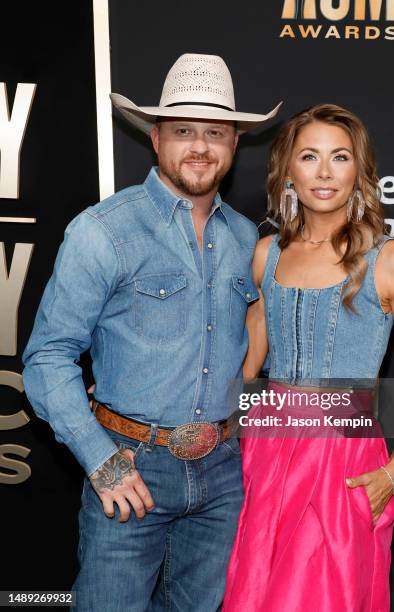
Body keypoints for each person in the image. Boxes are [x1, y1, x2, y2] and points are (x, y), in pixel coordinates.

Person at [21, 53, 281, 612]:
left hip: (223, 474)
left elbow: (266, 349)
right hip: (130, 464)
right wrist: (100, 458)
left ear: (235, 144)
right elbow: (48, 356)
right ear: (156, 137)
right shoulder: (103, 231)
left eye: (215, 132)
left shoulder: (247, 241)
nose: (200, 147)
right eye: (184, 130)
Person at [222, 103, 394, 611]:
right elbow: (248, 365)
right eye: (310, 156)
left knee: (324, 595)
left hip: (343, 460)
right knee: (253, 594)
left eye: (339, 157)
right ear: (288, 170)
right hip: (265, 455)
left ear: (359, 171)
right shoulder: (266, 253)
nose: (324, 172)